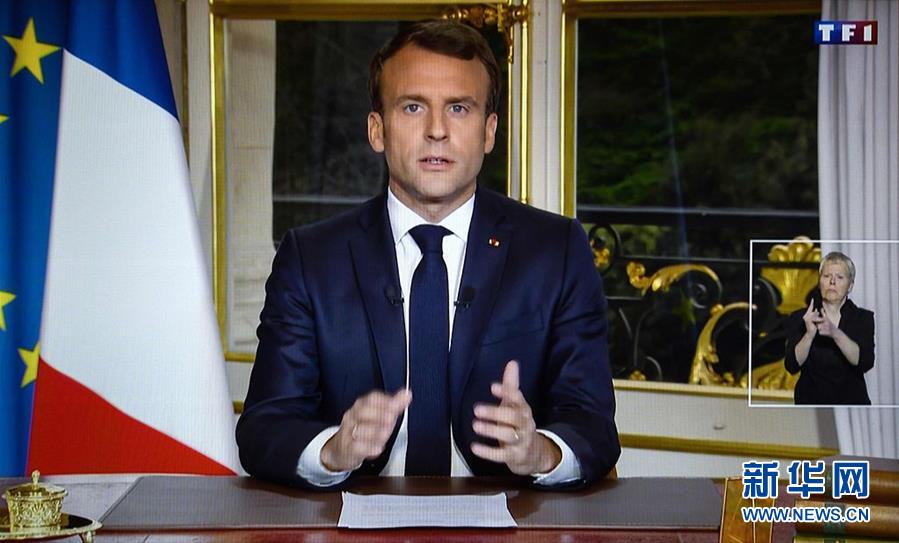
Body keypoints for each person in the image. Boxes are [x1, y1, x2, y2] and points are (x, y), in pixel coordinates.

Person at [236, 21, 620, 489]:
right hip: (352, 514)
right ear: (377, 130)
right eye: (413, 107)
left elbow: (593, 425)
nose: (437, 131)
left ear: (489, 132)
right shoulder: (310, 258)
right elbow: (264, 428)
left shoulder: (555, 250)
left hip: (510, 513)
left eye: (459, 108)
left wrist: (541, 451)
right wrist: (332, 450)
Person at [784, 251, 874, 405]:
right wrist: (809, 335)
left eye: (840, 277)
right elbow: (791, 366)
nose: (832, 282)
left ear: (850, 286)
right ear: (820, 282)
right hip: (811, 405)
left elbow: (865, 362)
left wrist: (835, 333)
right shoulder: (800, 317)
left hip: (850, 404)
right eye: (827, 276)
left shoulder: (862, 318)